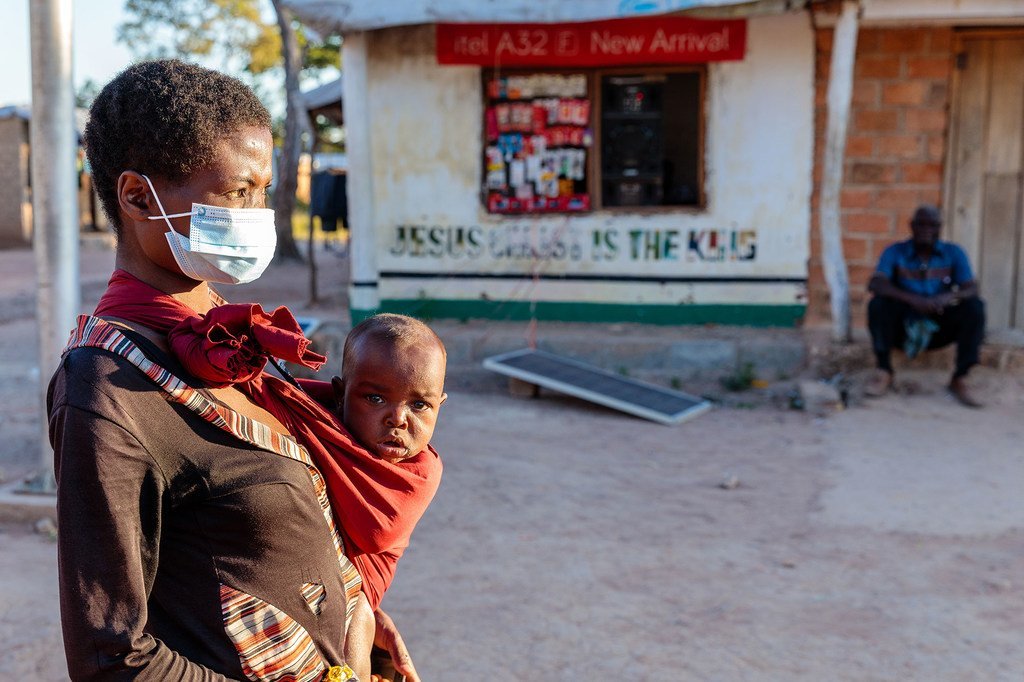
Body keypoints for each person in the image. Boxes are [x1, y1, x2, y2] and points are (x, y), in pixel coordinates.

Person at [48, 59, 419, 681]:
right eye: (236, 192)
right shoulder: (105, 391)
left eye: (262, 192)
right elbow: (111, 657)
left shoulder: (224, 336)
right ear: (138, 197)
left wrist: (352, 613)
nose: (257, 213)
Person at [330, 314, 448, 682]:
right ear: (339, 394)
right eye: (376, 398)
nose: (397, 418)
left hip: (360, 594)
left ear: (440, 405)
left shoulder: (422, 472)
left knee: (358, 620)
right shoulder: (319, 422)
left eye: (419, 405)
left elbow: (375, 533)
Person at [864, 204, 986, 407]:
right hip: (903, 326)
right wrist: (913, 299)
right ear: (911, 226)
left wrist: (945, 298)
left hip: (940, 325)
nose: (926, 230)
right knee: (877, 305)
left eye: (932, 225)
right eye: (920, 224)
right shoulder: (895, 251)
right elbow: (875, 283)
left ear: (940, 228)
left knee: (975, 307)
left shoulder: (953, 253)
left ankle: (960, 377)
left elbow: (971, 288)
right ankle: (884, 371)